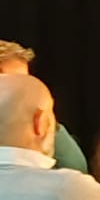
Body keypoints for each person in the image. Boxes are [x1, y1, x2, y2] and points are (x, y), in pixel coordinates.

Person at [0, 41, 89, 173]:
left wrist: (47, 118)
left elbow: (76, 168)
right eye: (15, 80)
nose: (24, 87)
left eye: (26, 79)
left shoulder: (31, 122)